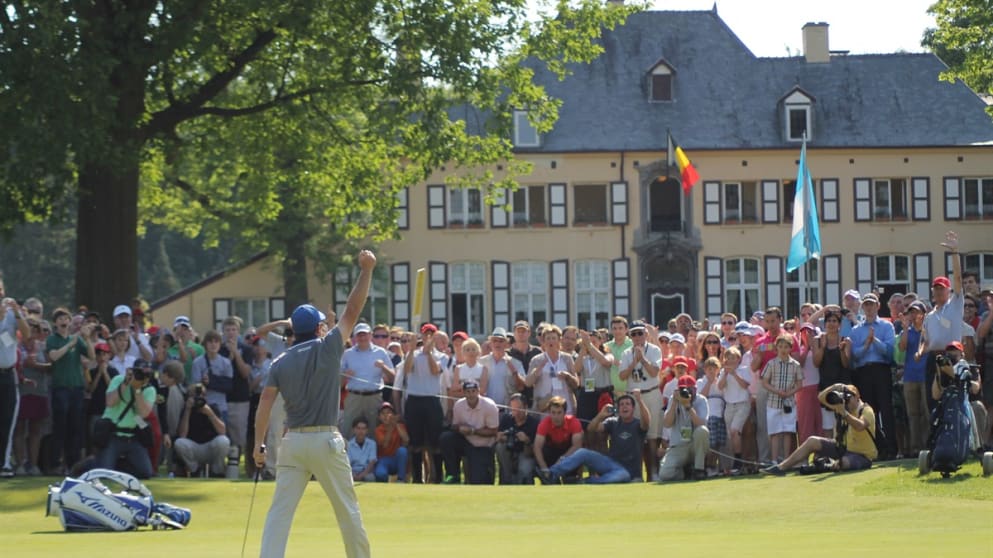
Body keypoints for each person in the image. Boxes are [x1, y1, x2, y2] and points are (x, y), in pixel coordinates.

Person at [252, 248, 375, 558]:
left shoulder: (280, 361)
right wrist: (367, 269)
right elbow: (353, 309)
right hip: (325, 440)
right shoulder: (329, 346)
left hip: (292, 442)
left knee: (279, 514)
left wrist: (258, 445)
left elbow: (265, 405)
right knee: (347, 510)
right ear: (319, 328)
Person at [763, 383, 876, 475]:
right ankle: (781, 467)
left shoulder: (866, 410)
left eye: (848, 398)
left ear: (857, 397)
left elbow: (860, 426)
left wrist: (844, 413)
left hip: (863, 456)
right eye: (845, 399)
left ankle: (826, 465)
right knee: (812, 440)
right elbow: (821, 397)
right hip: (844, 448)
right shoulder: (842, 407)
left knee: (843, 463)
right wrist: (836, 387)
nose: (846, 402)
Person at [545, 390, 650, 484]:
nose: (624, 407)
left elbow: (647, 422)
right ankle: (550, 474)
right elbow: (591, 428)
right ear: (617, 409)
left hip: (629, 472)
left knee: (621, 475)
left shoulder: (638, 424)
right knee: (583, 452)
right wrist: (601, 415)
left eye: (627, 404)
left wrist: (640, 400)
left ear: (633, 408)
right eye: (621, 404)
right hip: (611, 464)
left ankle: (584, 481)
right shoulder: (613, 422)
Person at [46, 307, 96, 474]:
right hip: (61, 389)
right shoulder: (52, 339)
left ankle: (73, 465)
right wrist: (70, 344)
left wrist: (87, 339)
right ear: (55, 323)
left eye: (66, 318)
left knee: (75, 428)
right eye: (60, 318)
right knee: (60, 427)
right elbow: (53, 356)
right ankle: (55, 464)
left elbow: (92, 356)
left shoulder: (77, 340)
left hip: (76, 389)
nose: (63, 321)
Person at [918, 231, 963, 413]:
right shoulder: (929, 316)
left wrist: (954, 253)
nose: (938, 292)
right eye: (935, 289)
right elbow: (926, 341)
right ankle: (936, 439)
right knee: (933, 404)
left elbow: (958, 279)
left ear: (949, 291)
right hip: (932, 359)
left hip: (951, 356)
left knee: (952, 401)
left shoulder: (955, 305)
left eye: (942, 289)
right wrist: (920, 352)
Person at [849, 292, 896, 459]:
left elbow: (889, 353)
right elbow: (855, 356)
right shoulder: (856, 330)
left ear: (878, 306)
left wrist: (874, 340)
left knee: (886, 409)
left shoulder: (886, 326)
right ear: (863, 307)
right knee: (869, 411)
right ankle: (876, 448)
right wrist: (867, 344)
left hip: (881, 370)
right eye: (866, 305)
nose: (869, 308)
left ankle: (891, 449)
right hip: (864, 372)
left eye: (872, 304)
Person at [94, 359, 157, 479]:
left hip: (132, 437)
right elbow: (110, 402)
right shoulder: (118, 380)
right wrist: (126, 383)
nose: (144, 377)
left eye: (148, 374)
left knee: (145, 473)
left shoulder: (150, 390)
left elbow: (143, 413)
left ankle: (114, 466)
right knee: (104, 475)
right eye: (141, 373)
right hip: (112, 434)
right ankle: (93, 464)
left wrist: (137, 389)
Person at [617, 320, 664, 481]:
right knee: (636, 436)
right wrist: (633, 363)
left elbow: (654, 372)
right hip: (633, 396)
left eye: (640, 333)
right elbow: (622, 376)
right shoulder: (625, 354)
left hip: (651, 393)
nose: (637, 337)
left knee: (652, 437)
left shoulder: (655, 350)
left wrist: (642, 359)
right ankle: (637, 474)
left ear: (646, 334)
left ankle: (654, 473)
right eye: (634, 334)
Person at [439, 380, 499, 484]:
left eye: (473, 391)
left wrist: (472, 431)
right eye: (468, 391)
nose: (471, 394)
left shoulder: (489, 406)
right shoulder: (458, 405)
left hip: (483, 445)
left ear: (478, 391)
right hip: (465, 442)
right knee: (446, 438)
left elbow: (493, 431)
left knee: (479, 482)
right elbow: (454, 425)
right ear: (463, 393)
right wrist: (459, 428)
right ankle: (453, 475)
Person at [340, 322, 394, 431]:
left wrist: (383, 367)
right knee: (348, 429)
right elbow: (339, 383)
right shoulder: (348, 354)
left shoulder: (381, 352)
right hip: (354, 396)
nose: (362, 337)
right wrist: (345, 375)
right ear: (355, 337)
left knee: (374, 430)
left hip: (374, 397)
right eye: (359, 335)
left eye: (365, 334)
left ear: (370, 335)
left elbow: (393, 378)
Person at [761, 334, 803, 465]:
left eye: (786, 347)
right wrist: (777, 391)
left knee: (787, 431)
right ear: (776, 348)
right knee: (774, 432)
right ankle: (774, 460)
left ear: (790, 348)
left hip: (788, 403)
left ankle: (786, 460)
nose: (783, 350)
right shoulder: (771, 363)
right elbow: (765, 382)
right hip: (773, 402)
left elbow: (799, 384)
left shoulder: (795, 365)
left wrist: (789, 393)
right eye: (780, 347)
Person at [659, 375, 709, 481]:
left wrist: (688, 406)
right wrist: (674, 404)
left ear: (695, 389)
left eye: (689, 389)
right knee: (664, 474)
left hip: (695, 445)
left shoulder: (701, 400)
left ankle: (699, 469)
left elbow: (701, 423)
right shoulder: (674, 399)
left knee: (702, 431)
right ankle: (685, 472)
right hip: (679, 446)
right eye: (683, 389)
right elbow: (667, 424)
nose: (686, 391)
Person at [1, 297, 31, 477]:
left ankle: (4, 463)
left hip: (7, 373)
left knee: (7, 420)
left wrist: (18, 314)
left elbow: (26, 335)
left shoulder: (12, 314)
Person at [173, 384, 230, 477]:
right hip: (194, 448)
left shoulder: (213, 408)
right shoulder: (186, 410)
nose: (199, 398)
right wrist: (188, 410)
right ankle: (194, 470)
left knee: (223, 441)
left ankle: (216, 471)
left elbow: (223, 432)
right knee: (179, 443)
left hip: (211, 447)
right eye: (196, 395)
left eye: (203, 395)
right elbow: (182, 435)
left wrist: (210, 413)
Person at [534, 395, 584, 482]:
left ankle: (572, 477)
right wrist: (544, 468)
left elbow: (577, 446)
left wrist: (562, 459)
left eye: (559, 412)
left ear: (565, 412)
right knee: (544, 451)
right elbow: (537, 447)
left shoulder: (574, 422)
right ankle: (548, 477)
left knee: (578, 454)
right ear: (549, 412)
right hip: (551, 453)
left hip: (568, 454)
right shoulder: (544, 424)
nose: (556, 416)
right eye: (553, 413)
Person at [495, 393, 540, 484]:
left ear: (526, 407)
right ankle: (507, 481)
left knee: (525, 470)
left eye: (519, 408)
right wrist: (501, 437)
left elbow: (535, 450)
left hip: (526, 452)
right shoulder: (506, 419)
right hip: (509, 451)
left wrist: (526, 440)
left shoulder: (534, 423)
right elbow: (498, 437)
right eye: (513, 409)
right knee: (500, 447)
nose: (517, 412)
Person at [373, 402, 408, 482]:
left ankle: (400, 479)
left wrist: (396, 424)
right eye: (383, 413)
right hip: (384, 459)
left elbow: (406, 440)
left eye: (389, 412)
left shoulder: (400, 426)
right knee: (380, 475)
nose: (386, 416)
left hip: (397, 459)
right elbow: (384, 444)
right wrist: (391, 427)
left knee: (402, 451)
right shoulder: (378, 430)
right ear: (379, 417)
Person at [346, 418, 377, 483]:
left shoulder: (372, 444)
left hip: (367, 471)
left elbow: (372, 462)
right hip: (353, 471)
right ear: (354, 430)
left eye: (363, 429)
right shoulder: (349, 444)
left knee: (370, 478)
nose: (361, 431)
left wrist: (361, 475)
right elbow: (347, 463)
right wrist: (353, 474)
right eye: (358, 428)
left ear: (367, 430)